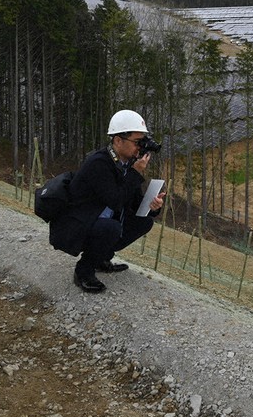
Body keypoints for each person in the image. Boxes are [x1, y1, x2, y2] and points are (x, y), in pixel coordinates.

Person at [50, 110, 166, 293]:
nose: (140, 148)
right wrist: (135, 173)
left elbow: (134, 204)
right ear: (118, 140)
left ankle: (101, 258)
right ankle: (83, 271)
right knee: (111, 228)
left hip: (97, 220)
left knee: (144, 222)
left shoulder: (126, 164)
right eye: (137, 142)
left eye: (143, 142)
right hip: (76, 225)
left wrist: (152, 207)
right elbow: (116, 201)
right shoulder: (99, 163)